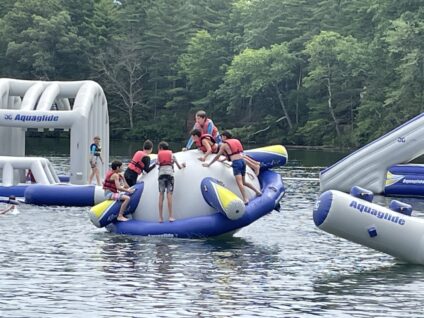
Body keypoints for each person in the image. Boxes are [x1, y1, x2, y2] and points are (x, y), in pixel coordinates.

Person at [203, 131, 261, 204]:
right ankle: (257, 191)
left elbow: (218, 155)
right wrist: (223, 160)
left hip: (237, 163)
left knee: (239, 183)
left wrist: (209, 164)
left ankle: (245, 199)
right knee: (244, 182)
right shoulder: (236, 141)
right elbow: (232, 155)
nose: (221, 138)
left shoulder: (224, 145)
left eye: (221, 136)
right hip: (242, 161)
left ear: (225, 137)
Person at [157, 141, 186, 223]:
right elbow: (179, 167)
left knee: (161, 195)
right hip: (170, 175)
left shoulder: (159, 155)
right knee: (169, 194)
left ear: (161, 148)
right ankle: (170, 216)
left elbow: (157, 163)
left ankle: (160, 218)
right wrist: (183, 165)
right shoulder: (172, 155)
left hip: (161, 175)